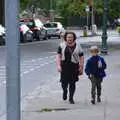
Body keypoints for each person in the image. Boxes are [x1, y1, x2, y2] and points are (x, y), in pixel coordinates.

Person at [56, 32, 84, 104]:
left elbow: (81, 56)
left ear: (74, 38)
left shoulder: (78, 45)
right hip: (64, 66)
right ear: (66, 38)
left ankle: (71, 98)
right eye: (68, 37)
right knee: (64, 83)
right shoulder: (61, 45)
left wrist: (81, 67)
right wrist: (58, 65)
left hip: (74, 66)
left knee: (72, 83)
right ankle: (65, 91)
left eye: (71, 37)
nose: (70, 38)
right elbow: (58, 56)